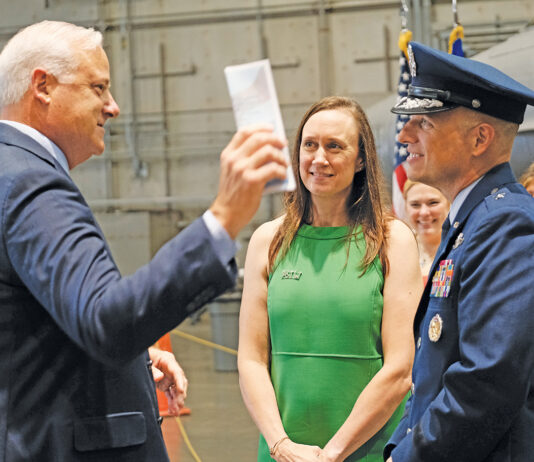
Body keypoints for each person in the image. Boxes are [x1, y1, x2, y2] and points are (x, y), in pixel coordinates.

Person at [0, 20, 288, 461]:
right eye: (98, 87)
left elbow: (34, 325)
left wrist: (135, 361)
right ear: (43, 86)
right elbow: (105, 322)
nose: (112, 107)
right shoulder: (30, 182)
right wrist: (223, 219)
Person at [238, 96, 422, 462]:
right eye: (310, 145)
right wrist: (281, 445)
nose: (318, 158)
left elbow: (400, 369)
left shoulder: (393, 241)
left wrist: (333, 454)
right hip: (283, 452)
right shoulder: (267, 242)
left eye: (334, 146)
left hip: (366, 450)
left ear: (360, 160)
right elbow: (252, 360)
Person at [384, 42, 534, 462]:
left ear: (480, 138)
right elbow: (432, 374)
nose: (404, 136)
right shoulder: (471, 222)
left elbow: (487, 381)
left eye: (423, 124)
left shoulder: (507, 224)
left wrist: (410, 456)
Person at [403, 180, 449, 283]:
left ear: (448, 203)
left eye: (433, 203)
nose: (424, 212)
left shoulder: (461, 248)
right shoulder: (398, 253)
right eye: (415, 205)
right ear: (406, 207)